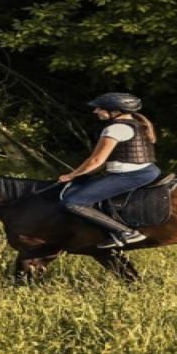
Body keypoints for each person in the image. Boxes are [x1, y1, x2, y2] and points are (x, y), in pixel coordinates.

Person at [58, 92, 161, 248]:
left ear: (115, 110)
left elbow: (96, 160)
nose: (95, 111)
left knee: (72, 202)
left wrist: (71, 175)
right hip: (149, 171)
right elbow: (100, 164)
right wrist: (81, 175)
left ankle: (126, 232)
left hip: (131, 176)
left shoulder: (115, 129)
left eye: (100, 108)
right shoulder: (138, 124)